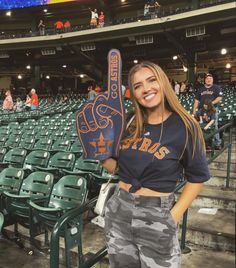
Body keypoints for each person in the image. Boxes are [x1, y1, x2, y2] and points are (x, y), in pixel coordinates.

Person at [102, 61, 210, 268]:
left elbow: (197, 178)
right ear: (133, 93)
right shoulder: (130, 122)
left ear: (163, 82)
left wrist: (173, 216)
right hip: (119, 208)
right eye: (138, 85)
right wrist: (99, 154)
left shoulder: (186, 126)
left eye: (151, 80)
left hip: (157, 215)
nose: (146, 89)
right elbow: (118, 169)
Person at [192, 73, 223, 149]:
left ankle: (217, 143)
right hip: (202, 110)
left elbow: (219, 98)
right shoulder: (200, 89)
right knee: (202, 127)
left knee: (214, 125)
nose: (209, 80)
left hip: (212, 110)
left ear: (212, 80)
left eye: (210, 78)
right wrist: (194, 112)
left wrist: (210, 103)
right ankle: (205, 143)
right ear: (205, 80)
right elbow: (196, 101)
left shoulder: (216, 87)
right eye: (207, 78)